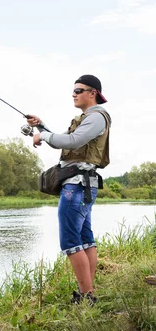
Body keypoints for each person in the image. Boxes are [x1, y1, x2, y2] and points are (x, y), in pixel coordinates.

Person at [27, 74, 111, 305]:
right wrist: (41, 127)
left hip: (76, 187)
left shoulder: (96, 117)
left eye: (78, 90)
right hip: (81, 185)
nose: (73, 94)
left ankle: (86, 296)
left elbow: (72, 142)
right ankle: (89, 292)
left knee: (71, 241)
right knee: (85, 238)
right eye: (73, 91)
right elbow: (66, 140)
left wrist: (41, 135)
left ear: (92, 93)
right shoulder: (88, 118)